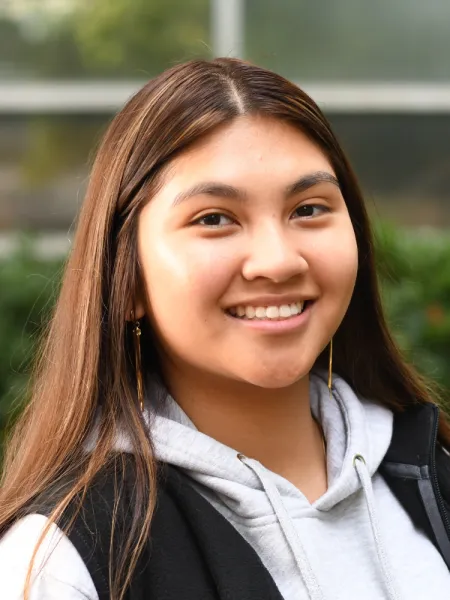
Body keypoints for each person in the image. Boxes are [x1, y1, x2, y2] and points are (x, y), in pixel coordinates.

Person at [0, 57, 449, 600]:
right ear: (127, 281)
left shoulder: (431, 472)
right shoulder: (66, 559)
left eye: (308, 209)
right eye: (214, 218)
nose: (278, 261)